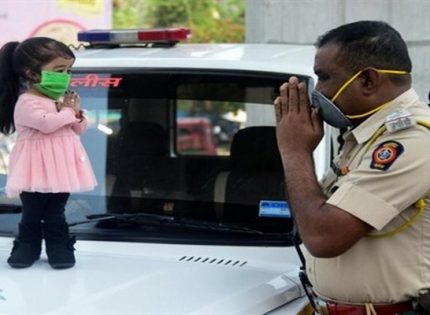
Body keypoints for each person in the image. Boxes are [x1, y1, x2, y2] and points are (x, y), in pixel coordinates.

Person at [274, 20, 430, 314]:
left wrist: (294, 150)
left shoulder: (412, 139)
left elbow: (323, 237)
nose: (317, 91)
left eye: (324, 77)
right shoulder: (364, 136)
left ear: (368, 81)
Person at [0, 37, 97, 269]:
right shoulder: (27, 102)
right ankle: (26, 248)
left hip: (61, 169)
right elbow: (46, 124)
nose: (65, 75)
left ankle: (59, 249)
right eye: (59, 70)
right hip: (34, 171)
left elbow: (80, 128)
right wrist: (67, 112)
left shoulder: (60, 100)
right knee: (32, 212)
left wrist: (77, 114)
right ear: (31, 74)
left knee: (56, 212)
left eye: (68, 70)